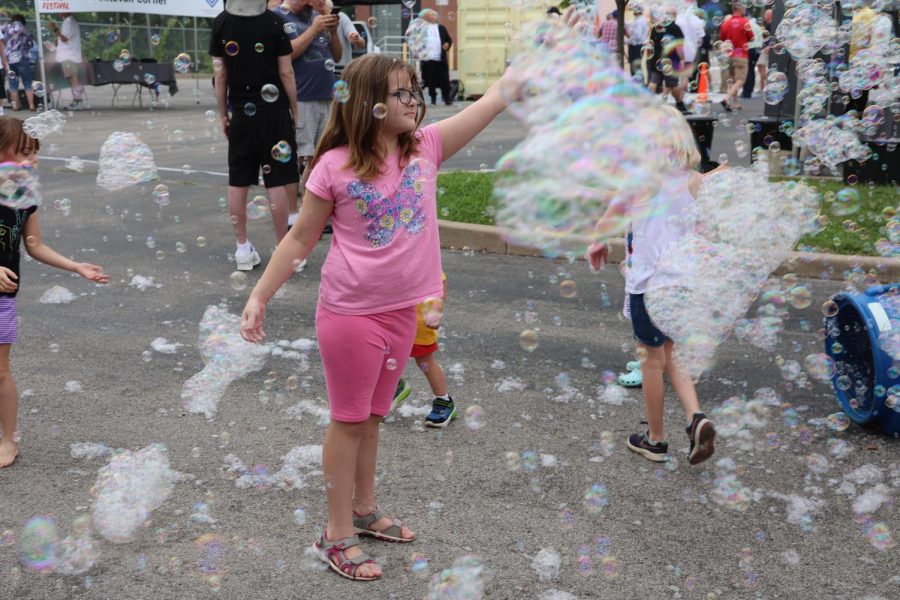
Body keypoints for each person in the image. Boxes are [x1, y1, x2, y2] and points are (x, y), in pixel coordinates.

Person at [239, 53, 521, 580]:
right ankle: (336, 533)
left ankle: (364, 511)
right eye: (403, 93)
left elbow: (493, 101)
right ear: (369, 104)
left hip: (402, 313)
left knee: (373, 418)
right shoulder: (335, 165)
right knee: (349, 423)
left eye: (415, 91)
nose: (415, 101)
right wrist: (260, 295)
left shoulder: (426, 149)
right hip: (350, 314)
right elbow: (301, 237)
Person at [586, 105, 717, 466]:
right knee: (674, 355)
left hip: (648, 286)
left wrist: (598, 241)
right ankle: (696, 418)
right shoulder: (694, 180)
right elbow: (705, 230)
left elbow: (610, 217)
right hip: (683, 285)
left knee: (651, 360)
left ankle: (656, 439)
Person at [0, 117, 109, 467]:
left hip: (3, 298)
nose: (32, 161)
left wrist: (75, 265)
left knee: (0, 370)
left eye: (35, 154)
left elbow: (34, 245)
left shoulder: (24, 196)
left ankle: (8, 440)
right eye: (23, 153)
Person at [211, 0, 300, 270]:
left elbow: (221, 74)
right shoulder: (273, 22)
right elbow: (286, 71)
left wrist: (223, 114)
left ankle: (242, 250)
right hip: (273, 113)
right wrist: (294, 111)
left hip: (240, 111)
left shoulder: (222, 22)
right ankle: (283, 251)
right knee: (277, 181)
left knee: (238, 181)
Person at [278, 0, 342, 230]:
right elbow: (287, 54)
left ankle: (313, 212)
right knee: (302, 157)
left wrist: (332, 31)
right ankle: (300, 215)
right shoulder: (279, 16)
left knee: (321, 157)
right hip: (301, 99)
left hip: (326, 95)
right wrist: (315, 28)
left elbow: (336, 55)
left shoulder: (316, 16)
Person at [391, 276, 456, 427]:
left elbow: (440, 284)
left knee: (424, 360)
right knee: (385, 355)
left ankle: (444, 401)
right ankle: (393, 388)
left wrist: (435, 311)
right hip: (393, 318)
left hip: (419, 323)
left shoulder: (423, 254)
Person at [646, 7, 688, 113]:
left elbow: (651, 43)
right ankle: (680, 104)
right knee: (672, 84)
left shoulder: (656, 27)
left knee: (653, 82)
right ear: (674, 16)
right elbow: (679, 46)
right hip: (671, 60)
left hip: (656, 58)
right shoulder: (675, 27)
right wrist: (682, 59)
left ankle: (647, 105)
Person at [718, 2, 754, 111]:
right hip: (741, 55)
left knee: (733, 80)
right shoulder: (745, 22)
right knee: (740, 80)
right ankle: (726, 98)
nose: (745, 10)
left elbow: (722, 38)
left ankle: (736, 103)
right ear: (740, 9)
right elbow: (751, 38)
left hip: (729, 55)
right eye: (744, 8)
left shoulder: (725, 23)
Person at [47, 12, 83, 110]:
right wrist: (57, 41)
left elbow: (65, 38)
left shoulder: (69, 22)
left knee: (73, 79)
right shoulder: (68, 21)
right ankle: (76, 101)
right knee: (72, 79)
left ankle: (77, 101)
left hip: (69, 56)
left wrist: (54, 28)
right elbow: (65, 38)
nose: (58, 12)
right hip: (68, 56)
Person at [419, 9, 453, 106]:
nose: (433, 17)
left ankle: (447, 99)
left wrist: (447, 44)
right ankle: (433, 100)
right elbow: (419, 42)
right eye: (430, 15)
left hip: (440, 59)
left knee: (445, 80)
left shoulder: (441, 28)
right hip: (429, 59)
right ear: (427, 17)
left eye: (434, 15)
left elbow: (448, 40)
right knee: (431, 80)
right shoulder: (424, 28)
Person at [327, 1, 366, 80]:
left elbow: (362, 43)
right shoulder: (314, 20)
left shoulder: (342, 17)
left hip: (343, 70)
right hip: (324, 72)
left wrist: (356, 38)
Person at [5, 16, 35, 112]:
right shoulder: (24, 30)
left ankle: (16, 106)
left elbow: (4, 41)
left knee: (13, 83)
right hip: (23, 57)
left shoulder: (7, 28)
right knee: (27, 82)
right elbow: (30, 44)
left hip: (10, 58)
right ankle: (31, 105)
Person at [741, 12, 764, 99]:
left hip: (750, 48)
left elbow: (747, 38)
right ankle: (749, 90)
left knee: (748, 70)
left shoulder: (746, 25)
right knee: (751, 69)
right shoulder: (757, 26)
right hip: (757, 49)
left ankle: (746, 92)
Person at [626, 4, 649, 78]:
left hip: (636, 46)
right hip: (641, 46)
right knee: (639, 66)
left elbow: (637, 35)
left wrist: (626, 41)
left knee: (635, 66)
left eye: (634, 10)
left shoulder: (638, 21)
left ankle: (636, 83)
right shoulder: (643, 20)